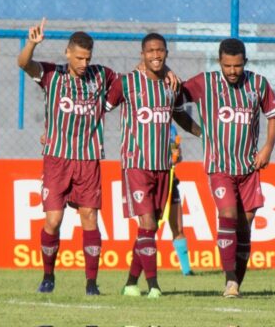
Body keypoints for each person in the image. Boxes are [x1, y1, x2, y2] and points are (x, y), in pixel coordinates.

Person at [17, 18, 120, 295]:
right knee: (53, 220)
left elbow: (127, 84)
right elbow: (24, 64)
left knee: (90, 218)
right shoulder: (53, 76)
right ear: (67, 53)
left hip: (88, 160)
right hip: (56, 159)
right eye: (79, 57)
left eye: (87, 57)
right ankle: (48, 277)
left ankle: (91, 283)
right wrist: (31, 44)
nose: (84, 63)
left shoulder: (102, 75)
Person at [180, 38, 275, 298]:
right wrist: (198, 131)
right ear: (219, 62)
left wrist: (268, 148)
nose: (233, 71)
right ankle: (230, 282)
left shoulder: (258, 84)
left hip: (249, 168)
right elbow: (174, 101)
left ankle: (237, 282)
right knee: (227, 215)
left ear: (245, 62)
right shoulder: (205, 83)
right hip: (219, 167)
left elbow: (273, 116)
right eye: (228, 66)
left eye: (237, 66)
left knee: (244, 228)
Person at [106, 33, 199, 298]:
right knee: (147, 222)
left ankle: (130, 283)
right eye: (151, 51)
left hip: (163, 167)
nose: (156, 55)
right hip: (136, 164)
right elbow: (101, 107)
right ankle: (154, 286)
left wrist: (204, 134)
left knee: (151, 227)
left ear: (166, 53)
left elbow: (180, 114)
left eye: (160, 51)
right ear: (142, 54)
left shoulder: (172, 85)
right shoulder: (127, 83)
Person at [168, 124, 194, 276]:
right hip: (152, 181)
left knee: (178, 227)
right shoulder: (145, 124)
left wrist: (176, 155)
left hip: (171, 180)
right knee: (148, 228)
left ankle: (186, 270)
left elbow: (177, 156)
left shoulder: (172, 129)